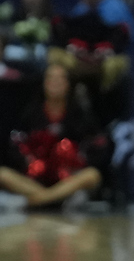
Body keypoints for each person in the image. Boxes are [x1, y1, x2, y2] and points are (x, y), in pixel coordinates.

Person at [3, 61, 107, 208]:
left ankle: (41, 200)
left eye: (60, 78)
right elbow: (16, 142)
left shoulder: (80, 114)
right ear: (44, 82)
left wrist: (77, 158)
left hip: (68, 179)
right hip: (35, 178)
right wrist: (28, 160)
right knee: (3, 174)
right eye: (51, 78)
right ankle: (54, 199)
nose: (55, 83)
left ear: (68, 83)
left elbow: (97, 144)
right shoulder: (31, 112)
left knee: (92, 175)